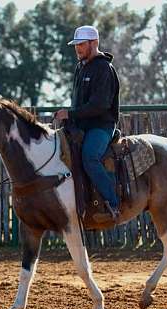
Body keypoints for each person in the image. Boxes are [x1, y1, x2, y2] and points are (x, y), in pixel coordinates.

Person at [54, 25, 121, 221]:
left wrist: (70, 114)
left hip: (101, 125)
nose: (77, 49)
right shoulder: (80, 67)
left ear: (94, 43)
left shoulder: (104, 69)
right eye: (76, 45)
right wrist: (70, 117)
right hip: (81, 124)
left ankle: (113, 203)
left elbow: (100, 106)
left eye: (81, 44)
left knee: (90, 156)